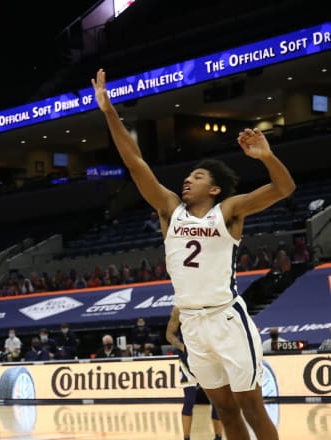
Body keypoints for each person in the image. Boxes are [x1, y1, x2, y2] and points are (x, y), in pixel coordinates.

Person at [93, 67, 295, 440]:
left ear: (215, 189)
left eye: (198, 176)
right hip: (192, 324)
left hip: (226, 320)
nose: (188, 179)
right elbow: (135, 162)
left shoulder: (229, 211)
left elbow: (284, 187)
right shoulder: (169, 209)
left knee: (252, 407)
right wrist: (109, 112)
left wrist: (266, 156)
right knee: (225, 412)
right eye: (188, 175)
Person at [166, 307, 223, 440]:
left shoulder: (209, 305)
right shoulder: (178, 309)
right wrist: (179, 345)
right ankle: (186, 437)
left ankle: (218, 437)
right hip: (187, 361)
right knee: (189, 400)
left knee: (216, 401)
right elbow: (169, 334)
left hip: (208, 359)